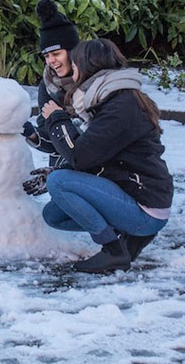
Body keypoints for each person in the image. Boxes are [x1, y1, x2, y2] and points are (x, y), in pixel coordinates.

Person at [26, 39, 173, 273]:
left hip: (146, 207)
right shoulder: (113, 98)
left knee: (59, 182)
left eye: (74, 67)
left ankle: (113, 251)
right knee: (54, 215)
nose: (72, 75)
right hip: (135, 195)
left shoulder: (120, 107)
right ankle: (129, 237)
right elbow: (95, 154)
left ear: (87, 68)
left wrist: (56, 119)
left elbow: (80, 157)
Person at [22, 0, 80, 166]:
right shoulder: (48, 85)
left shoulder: (94, 81)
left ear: (72, 51)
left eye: (56, 53)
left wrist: (58, 117)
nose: (51, 61)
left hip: (99, 157)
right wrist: (32, 134)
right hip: (64, 153)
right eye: (47, 56)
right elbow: (53, 140)